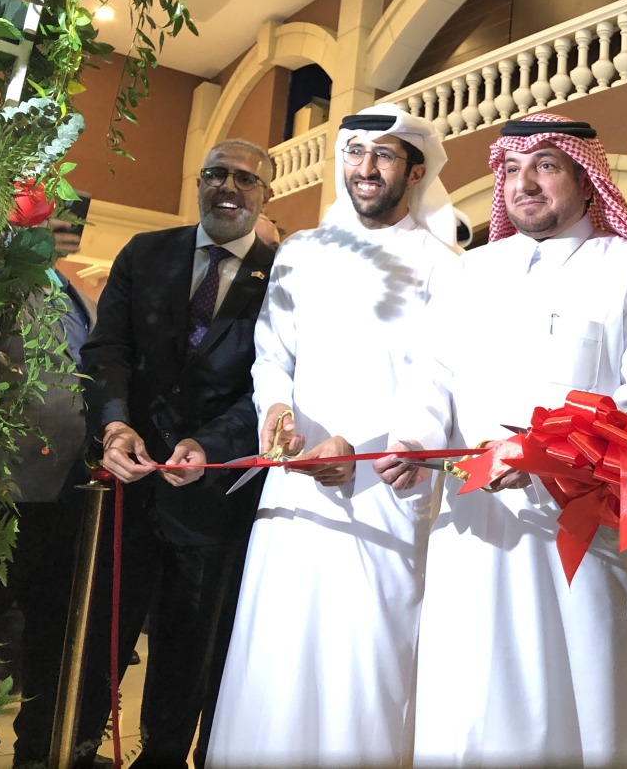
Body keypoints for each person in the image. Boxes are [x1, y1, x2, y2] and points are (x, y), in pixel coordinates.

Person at [384, 113, 627, 767]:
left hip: (581, 531)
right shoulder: (470, 271)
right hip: (473, 525)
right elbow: (435, 378)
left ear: (585, 175)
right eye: (512, 170)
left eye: (545, 166)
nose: (525, 184)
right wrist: (412, 439)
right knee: (464, 699)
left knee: (575, 704)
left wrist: (548, 451)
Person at [206, 106, 460, 769]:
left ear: (416, 170)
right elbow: (271, 357)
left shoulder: (447, 265)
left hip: (383, 491)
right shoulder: (301, 253)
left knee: (366, 666)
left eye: (382, 155)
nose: (365, 169)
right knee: (277, 658)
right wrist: (278, 416)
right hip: (293, 495)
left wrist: (367, 445)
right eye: (355, 153)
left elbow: (440, 382)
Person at [78, 140, 277, 768]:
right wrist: (114, 427)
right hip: (125, 486)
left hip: (213, 500)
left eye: (247, 179)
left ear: (264, 194)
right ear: (199, 181)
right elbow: (106, 351)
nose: (229, 186)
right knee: (99, 643)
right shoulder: (146, 253)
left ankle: (160, 758)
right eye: (217, 173)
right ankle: (71, 746)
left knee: (185, 652)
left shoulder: (283, 278)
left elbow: (273, 385)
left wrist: (209, 445)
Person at [0, 215, 94, 768]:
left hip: (69, 498)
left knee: (55, 639)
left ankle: (39, 750)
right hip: (5, 495)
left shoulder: (77, 296)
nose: (64, 232)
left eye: (71, 224)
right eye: (50, 222)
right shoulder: (5, 285)